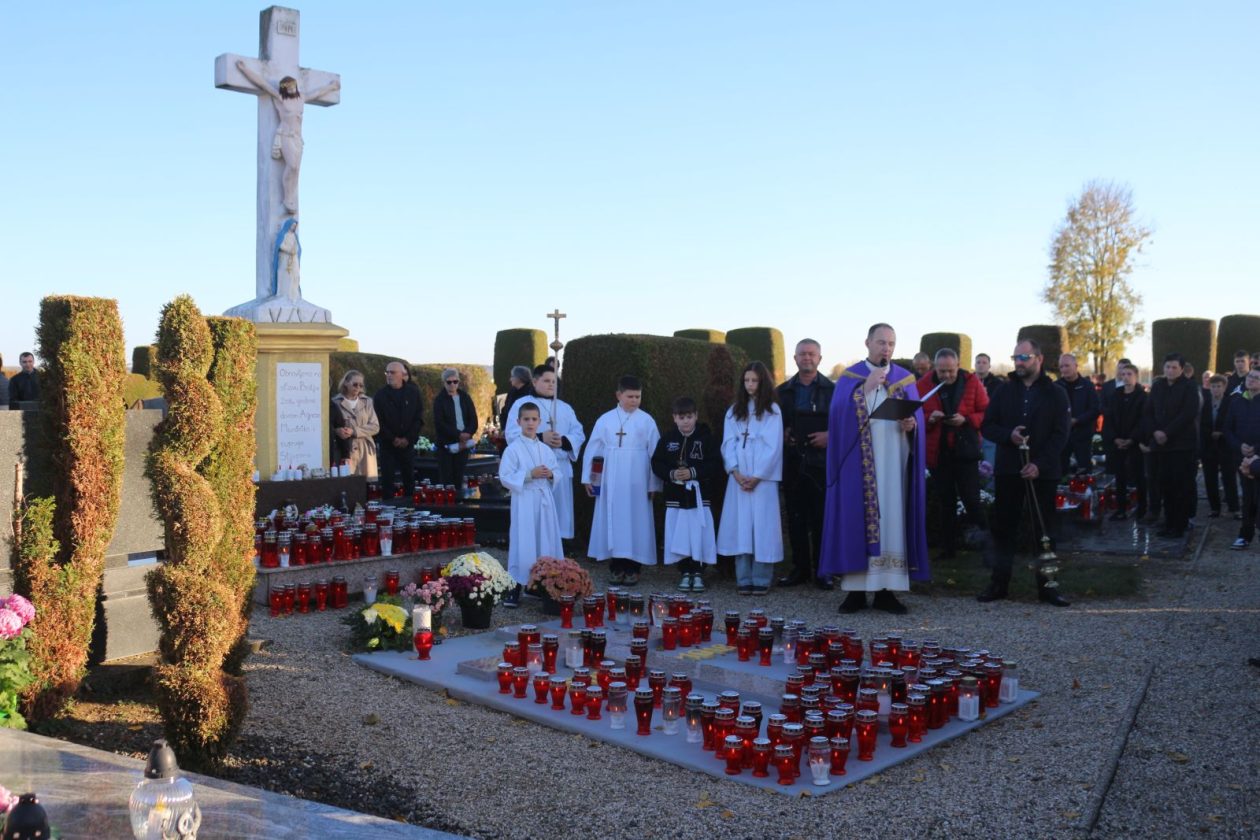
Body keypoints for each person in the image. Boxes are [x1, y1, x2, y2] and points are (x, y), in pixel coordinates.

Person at [819, 323, 929, 615]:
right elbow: (838, 416)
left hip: (893, 462)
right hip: (860, 466)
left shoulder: (904, 378)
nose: (886, 348)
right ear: (867, 342)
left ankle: (886, 591)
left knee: (892, 519)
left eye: (891, 343)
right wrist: (865, 390)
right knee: (857, 518)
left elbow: (917, 419)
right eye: (881, 342)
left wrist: (911, 426)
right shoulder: (851, 377)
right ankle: (855, 591)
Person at [979, 339, 1071, 606]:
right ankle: (999, 583)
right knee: (1004, 528)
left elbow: (1060, 434)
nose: (1018, 362)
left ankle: (1048, 587)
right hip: (1009, 469)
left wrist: (1039, 463)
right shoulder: (1004, 391)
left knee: (1043, 531)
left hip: (1043, 472)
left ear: (1038, 359)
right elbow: (988, 426)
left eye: (1024, 357)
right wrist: (1009, 435)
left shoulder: (1056, 393)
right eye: (1016, 357)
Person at [583, 375, 661, 584]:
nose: (634, 400)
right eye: (630, 396)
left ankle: (634, 567)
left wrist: (654, 483)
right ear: (619, 395)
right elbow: (594, 449)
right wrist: (589, 479)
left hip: (638, 479)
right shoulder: (605, 420)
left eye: (638, 396)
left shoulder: (647, 420)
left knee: (637, 520)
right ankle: (616, 567)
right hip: (611, 479)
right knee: (614, 519)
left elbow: (655, 453)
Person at [234, 60, 340, 214]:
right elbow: (262, 84)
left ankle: (290, 196)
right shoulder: (280, 98)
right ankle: (287, 197)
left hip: (298, 139)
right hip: (285, 136)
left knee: (296, 170)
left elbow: (317, 93)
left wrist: (332, 86)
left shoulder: (301, 99)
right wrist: (244, 70)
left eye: (292, 86)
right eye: (288, 86)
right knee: (292, 166)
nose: (291, 88)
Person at [717, 361, 784, 596]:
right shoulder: (735, 410)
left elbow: (773, 447)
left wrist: (757, 476)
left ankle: (762, 577)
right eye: (746, 380)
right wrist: (735, 471)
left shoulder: (772, 411)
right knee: (741, 526)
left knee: (762, 527)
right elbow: (728, 443)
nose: (750, 385)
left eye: (754, 380)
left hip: (761, 481)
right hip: (739, 479)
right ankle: (743, 577)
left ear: (763, 382)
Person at [776, 339, 836, 590]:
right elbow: (772, 424)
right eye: (802, 354)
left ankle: (823, 571)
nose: (807, 358)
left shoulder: (833, 390)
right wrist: (785, 433)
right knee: (796, 519)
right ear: (795, 358)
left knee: (821, 519)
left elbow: (844, 423)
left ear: (820, 358)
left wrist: (829, 436)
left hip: (821, 463)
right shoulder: (782, 392)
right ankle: (799, 569)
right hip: (793, 462)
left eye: (812, 354)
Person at [918, 348, 989, 558]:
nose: (947, 376)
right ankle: (948, 550)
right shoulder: (923, 385)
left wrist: (965, 420)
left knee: (972, 500)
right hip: (939, 453)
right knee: (945, 502)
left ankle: (991, 547)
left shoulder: (972, 382)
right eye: (942, 372)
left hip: (965, 452)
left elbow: (987, 412)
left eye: (950, 371)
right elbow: (912, 415)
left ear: (958, 366)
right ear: (934, 368)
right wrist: (929, 418)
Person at [506, 365, 586, 542]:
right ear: (535, 381)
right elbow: (511, 434)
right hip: (534, 468)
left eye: (554, 381)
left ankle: (561, 552)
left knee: (560, 511)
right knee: (537, 514)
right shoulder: (522, 404)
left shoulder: (565, 407)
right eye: (546, 381)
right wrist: (541, 437)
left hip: (560, 468)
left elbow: (578, 433)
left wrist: (564, 441)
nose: (551, 385)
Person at [650, 396, 721, 593]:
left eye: (689, 417)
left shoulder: (706, 438)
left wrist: (693, 473)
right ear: (674, 418)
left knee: (699, 534)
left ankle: (698, 572)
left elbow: (715, 464)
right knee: (679, 536)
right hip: (676, 499)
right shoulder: (667, 440)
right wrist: (672, 474)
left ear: (696, 416)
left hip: (699, 500)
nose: (686, 421)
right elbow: (657, 463)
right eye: (681, 417)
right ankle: (684, 571)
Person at [498, 401, 563, 607]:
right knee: (524, 540)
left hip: (544, 500)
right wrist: (528, 474)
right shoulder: (513, 449)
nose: (530, 423)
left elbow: (557, 471)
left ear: (540, 422)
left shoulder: (545, 449)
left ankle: (540, 585)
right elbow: (505, 476)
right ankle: (515, 586)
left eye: (534, 419)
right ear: (518, 421)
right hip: (525, 499)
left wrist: (551, 474)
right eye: (526, 419)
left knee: (545, 539)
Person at [1145, 353, 1200, 539]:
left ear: (1181, 369)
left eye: (1174, 367)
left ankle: (1180, 524)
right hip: (1161, 446)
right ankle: (1168, 522)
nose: (1170, 370)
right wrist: (1155, 432)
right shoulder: (1158, 385)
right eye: (1167, 367)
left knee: (1181, 486)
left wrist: (1166, 432)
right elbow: (1149, 411)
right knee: (1165, 485)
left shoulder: (1189, 386)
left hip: (1181, 445)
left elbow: (1188, 413)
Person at [374, 361, 424, 496]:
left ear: (402, 375)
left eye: (392, 372)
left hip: (407, 444)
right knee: (388, 480)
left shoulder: (413, 393)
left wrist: (408, 438)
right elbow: (378, 421)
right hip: (388, 444)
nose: (389, 375)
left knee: (409, 478)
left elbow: (418, 417)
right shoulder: (380, 395)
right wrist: (393, 438)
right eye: (387, 372)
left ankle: (411, 508)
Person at [1105, 363, 1148, 520]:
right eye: (1123, 374)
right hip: (1118, 441)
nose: (1126, 377)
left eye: (1129, 374)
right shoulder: (1116, 395)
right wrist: (1115, 438)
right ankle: (1121, 508)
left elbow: (1143, 420)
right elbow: (1109, 418)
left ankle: (1143, 508)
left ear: (1136, 376)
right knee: (1120, 476)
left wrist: (1131, 439)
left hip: (1135, 442)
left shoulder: (1142, 396)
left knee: (1139, 475)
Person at [1228, 371, 1260, 549]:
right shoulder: (1236, 401)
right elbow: (1228, 428)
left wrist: (1256, 448)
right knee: (1247, 497)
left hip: (1259, 456)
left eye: (1256, 378)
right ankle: (1245, 535)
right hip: (1242, 457)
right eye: (1250, 377)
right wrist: (1239, 446)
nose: (1252, 380)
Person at [433, 367, 479, 490]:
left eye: (455, 381)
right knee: (447, 479)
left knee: (459, 476)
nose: (453, 384)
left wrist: (468, 433)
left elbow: (473, 419)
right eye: (449, 382)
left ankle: (459, 505)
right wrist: (458, 435)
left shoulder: (465, 397)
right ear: (444, 383)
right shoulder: (439, 400)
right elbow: (440, 423)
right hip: (447, 444)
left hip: (464, 443)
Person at [1201, 374, 1240, 519]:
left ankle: (1234, 507)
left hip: (1225, 445)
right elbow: (1201, 423)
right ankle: (1214, 508)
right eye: (1213, 386)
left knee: (1229, 477)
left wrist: (1222, 433)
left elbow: (1233, 422)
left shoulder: (1231, 402)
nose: (1216, 389)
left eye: (1218, 386)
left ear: (1224, 387)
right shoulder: (1205, 402)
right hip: (1209, 445)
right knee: (1210, 478)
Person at [330, 370, 379, 477]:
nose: (358, 388)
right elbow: (329, 426)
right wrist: (336, 431)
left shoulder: (367, 402)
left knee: (366, 486)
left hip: (364, 451)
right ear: (346, 383)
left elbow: (375, 426)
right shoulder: (335, 402)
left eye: (361, 385)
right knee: (346, 484)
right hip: (344, 450)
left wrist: (354, 431)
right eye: (355, 384)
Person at [1056, 354, 1100, 475]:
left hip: (1083, 436)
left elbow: (1095, 409)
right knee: (1060, 469)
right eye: (1061, 366)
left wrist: (1078, 420)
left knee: (1084, 470)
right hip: (1062, 436)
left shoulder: (1088, 386)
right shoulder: (1056, 386)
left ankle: (1084, 493)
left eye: (1067, 365)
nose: (1064, 369)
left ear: (1076, 366)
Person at [1098, 358, 1132, 476]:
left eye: (1125, 368)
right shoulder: (1107, 386)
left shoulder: (1133, 387)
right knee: (1111, 466)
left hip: (1127, 432)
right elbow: (1101, 405)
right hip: (1110, 431)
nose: (1122, 371)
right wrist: (1113, 413)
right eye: (1120, 367)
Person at [499, 365, 534, 431]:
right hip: (510, 430)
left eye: (512, 376)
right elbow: (505, 410)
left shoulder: (530, 393)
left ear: (519, 377)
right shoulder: (512, 391)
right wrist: (504, 427)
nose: (510, 379)